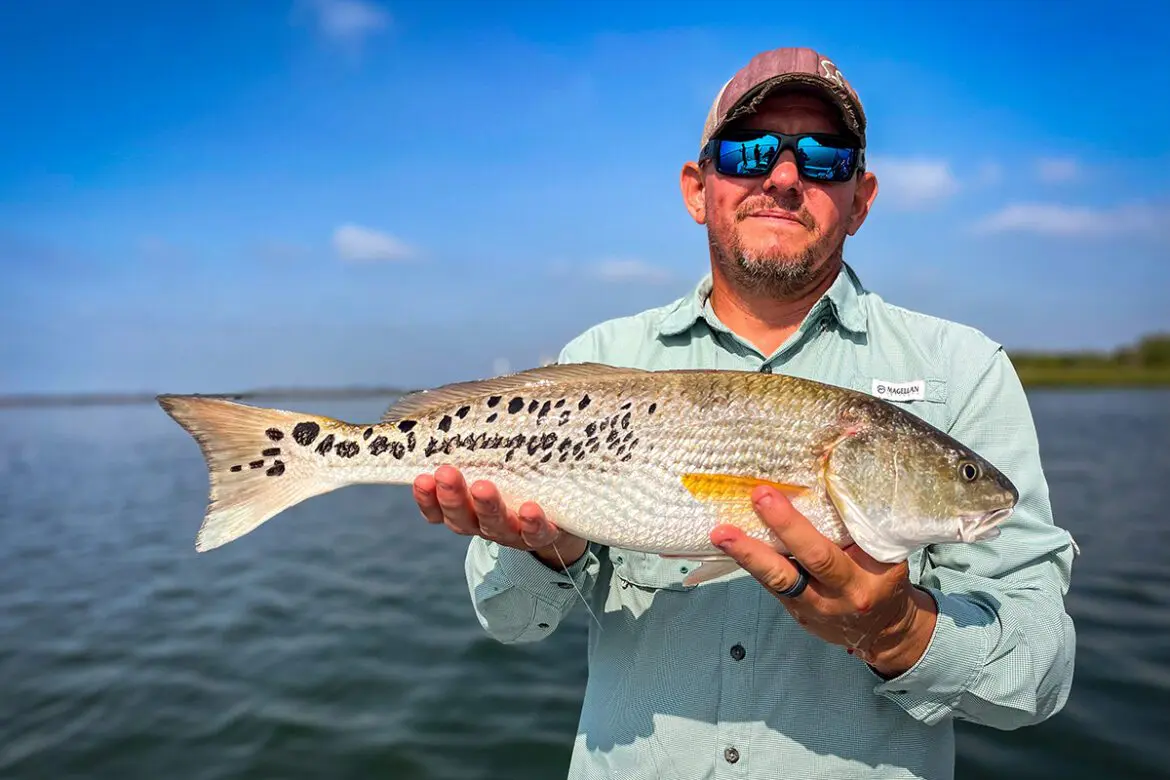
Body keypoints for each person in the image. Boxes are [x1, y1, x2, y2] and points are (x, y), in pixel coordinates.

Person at [413, 46, 1078, 780]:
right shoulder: (600, 358)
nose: (784, 176)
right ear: (697, 189)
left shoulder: (964, 368)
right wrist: (549, 550)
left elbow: (1039, 676)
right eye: (748, 150)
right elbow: (508, 620)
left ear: (861, 198)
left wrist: (900, 630)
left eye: (825, 157)